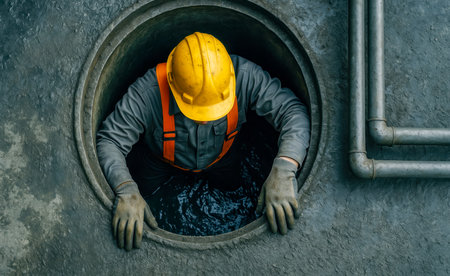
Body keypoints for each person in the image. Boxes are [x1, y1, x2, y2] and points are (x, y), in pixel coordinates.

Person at [97, 32, 310, 251]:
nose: (206, 120)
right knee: (146, 195)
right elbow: (110, 141)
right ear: (172, 85)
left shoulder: (243, 76)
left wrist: (284, 168)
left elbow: (292, 112)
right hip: (158, 161)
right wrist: (126, 188)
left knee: (232, 188)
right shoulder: (146, 94)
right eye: (197, 113)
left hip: (224, 156)